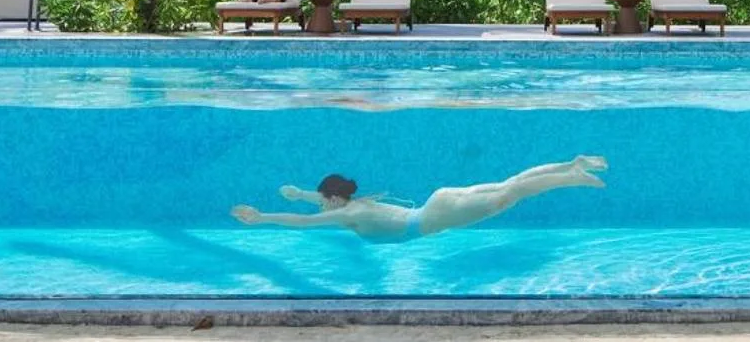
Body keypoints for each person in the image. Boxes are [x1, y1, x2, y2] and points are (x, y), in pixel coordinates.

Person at [230, 156, 606, 242]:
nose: (322, 204)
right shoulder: (351, 205)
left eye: (322, 199)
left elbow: (305, 221)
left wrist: (261, 217)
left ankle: (573, 177)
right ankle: (572, 162)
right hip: (437, 201)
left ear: (333, 198)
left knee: (507, 196)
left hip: (435, 217)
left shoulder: (344, 215)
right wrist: (298, 193)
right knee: (508, 183)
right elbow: (321, 203)